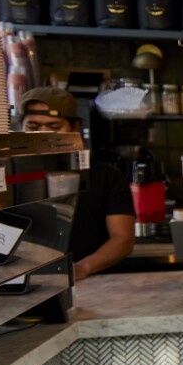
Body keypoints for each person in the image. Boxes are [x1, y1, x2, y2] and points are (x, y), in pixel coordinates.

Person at [19, 87, 135, 280]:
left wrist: (82, 268)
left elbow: (123, 238)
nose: (43, 135)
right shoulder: (7, 179)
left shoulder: (107, 176)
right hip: (22, 286)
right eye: (33, 127)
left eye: (55, 127)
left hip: (89, 285)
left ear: (75, 128)